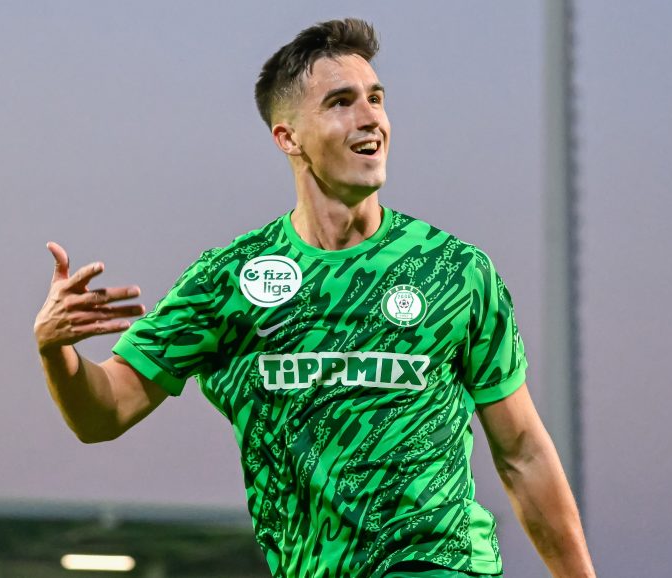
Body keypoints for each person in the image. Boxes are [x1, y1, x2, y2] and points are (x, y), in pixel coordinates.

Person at [34, 18, 595, 578]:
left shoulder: (454, 271)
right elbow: (103, 413)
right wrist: (56, 350)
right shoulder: (228, 281)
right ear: (288, 137)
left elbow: (523, 452)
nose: (370, 117)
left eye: (376, 98)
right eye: (341, 102)